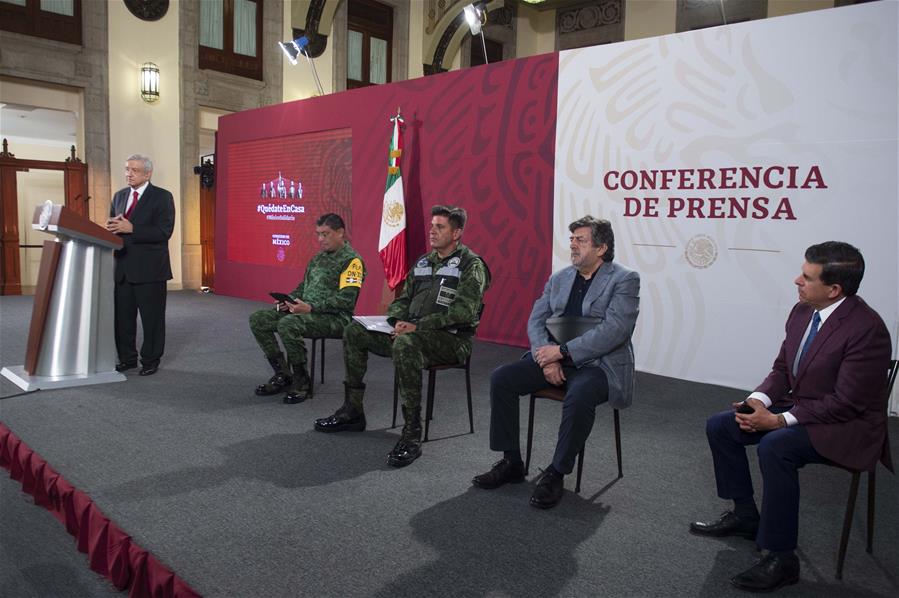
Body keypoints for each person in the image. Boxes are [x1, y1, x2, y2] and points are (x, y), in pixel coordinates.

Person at [690, 241, 892, 592]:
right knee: (722, 424)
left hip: (848, 425)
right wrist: (757, 402)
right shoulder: (803, 311)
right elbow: (783, 369)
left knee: (776, 446)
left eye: (806, 276)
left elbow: (846, 402)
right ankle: (745, 515)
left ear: (834, 289)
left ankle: (783, 558)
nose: (796, 280)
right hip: (807, 407)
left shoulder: (867, 329)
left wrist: (780, 420)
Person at [472, 216, 640, 509]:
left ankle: (556, 472)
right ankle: (511, 461)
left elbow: (615, 331)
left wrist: (561, 352)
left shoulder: (624, 279)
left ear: (601, 248)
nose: (573, 244)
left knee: (581, 395)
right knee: (502, 378)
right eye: (572, 238)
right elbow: (536, 319)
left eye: (581, 240)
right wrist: (545, 356)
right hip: (554, 358)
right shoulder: (559, 278)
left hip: (599, 365)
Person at [314, 205, 490, 468]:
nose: (432, 230)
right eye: (432, 225)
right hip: (411, 333)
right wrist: (396, 321)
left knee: (407, 344)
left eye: (440, 227)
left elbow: (463, 313)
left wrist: (418, 327)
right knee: (354, 330)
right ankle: (353, 410)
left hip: (451, 340)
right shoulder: (423, 262)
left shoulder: (471, 265)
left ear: (457, 233)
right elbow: (402, 300)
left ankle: (411, 432)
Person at [249, 213, 365, 404]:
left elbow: (346, 300)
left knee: (288, 324)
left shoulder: (352, 261)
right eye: (318, 234)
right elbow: (304, 286)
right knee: (258, 319)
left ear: (340, 232)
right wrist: (290, 301)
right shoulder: (318, 259)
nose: (320, 239)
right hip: (306, 311)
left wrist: (311, 307)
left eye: (325, 234)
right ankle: (283, 374)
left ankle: (301, 380)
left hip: (336, 318)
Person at [106, 154, 175, 377]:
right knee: (123, 320)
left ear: (147, 173)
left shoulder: (162, 197)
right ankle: (127, 359)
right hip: (123, 269)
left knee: (152, 320)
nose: (128, 174)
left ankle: (151, 360)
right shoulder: (119, 196)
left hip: (151, 271)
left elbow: (164, 231)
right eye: (127, 169)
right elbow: (113, 227)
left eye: (134, 170)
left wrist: (132, 228)